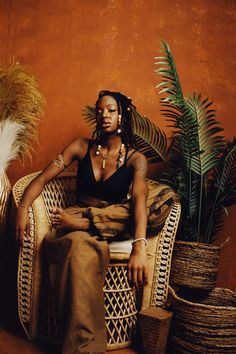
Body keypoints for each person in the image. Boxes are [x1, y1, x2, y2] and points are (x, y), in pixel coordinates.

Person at [16, 90, 176, 354]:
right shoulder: (81, 146)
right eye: (100, 110)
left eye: (111, 110)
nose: (104, 115)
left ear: (123, 115)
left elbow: (137, 202)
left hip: (111, 221)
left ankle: (87, 225)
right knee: (79, 246)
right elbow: (43, 178)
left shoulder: (136, 159)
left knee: (147, 202)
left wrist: (139, 246)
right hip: (74, 218)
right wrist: (23, 207)